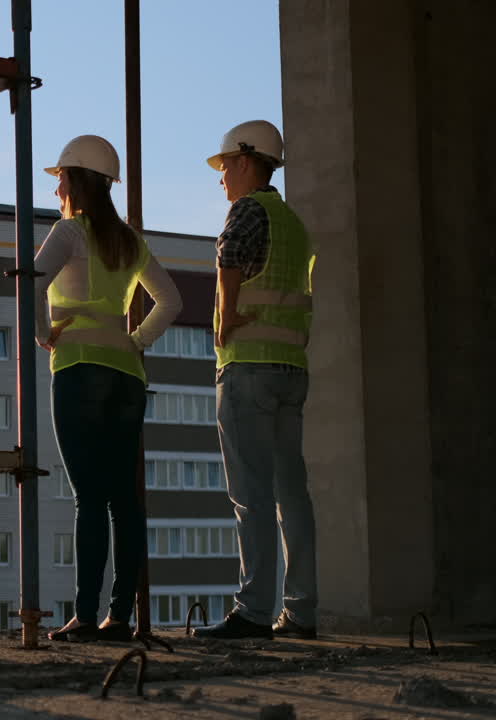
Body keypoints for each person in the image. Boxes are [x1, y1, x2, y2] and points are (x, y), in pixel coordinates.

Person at [36, 135, 182, 642]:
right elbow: (172, 301)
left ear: (75, 180)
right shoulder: (129, 240)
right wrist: (134, 341)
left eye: (60, 181)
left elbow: (31, 282)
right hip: (126, 377)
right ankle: (119, 617)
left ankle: (83, 614)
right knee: (124, 499)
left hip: (78, 369)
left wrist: (42, 335)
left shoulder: (68, 232)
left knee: (89, 499)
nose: (58, 192)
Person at [193, 120, 318, 641]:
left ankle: (253, 611)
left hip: (249, 371)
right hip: (291, 370)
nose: (221, 179)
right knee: (293, 495)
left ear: (245, 161)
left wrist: (223, 316)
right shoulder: (292, 222)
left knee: (251, 495)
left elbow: (229, 256)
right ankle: (302, 611)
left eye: (224, 168)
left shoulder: (247, 210)